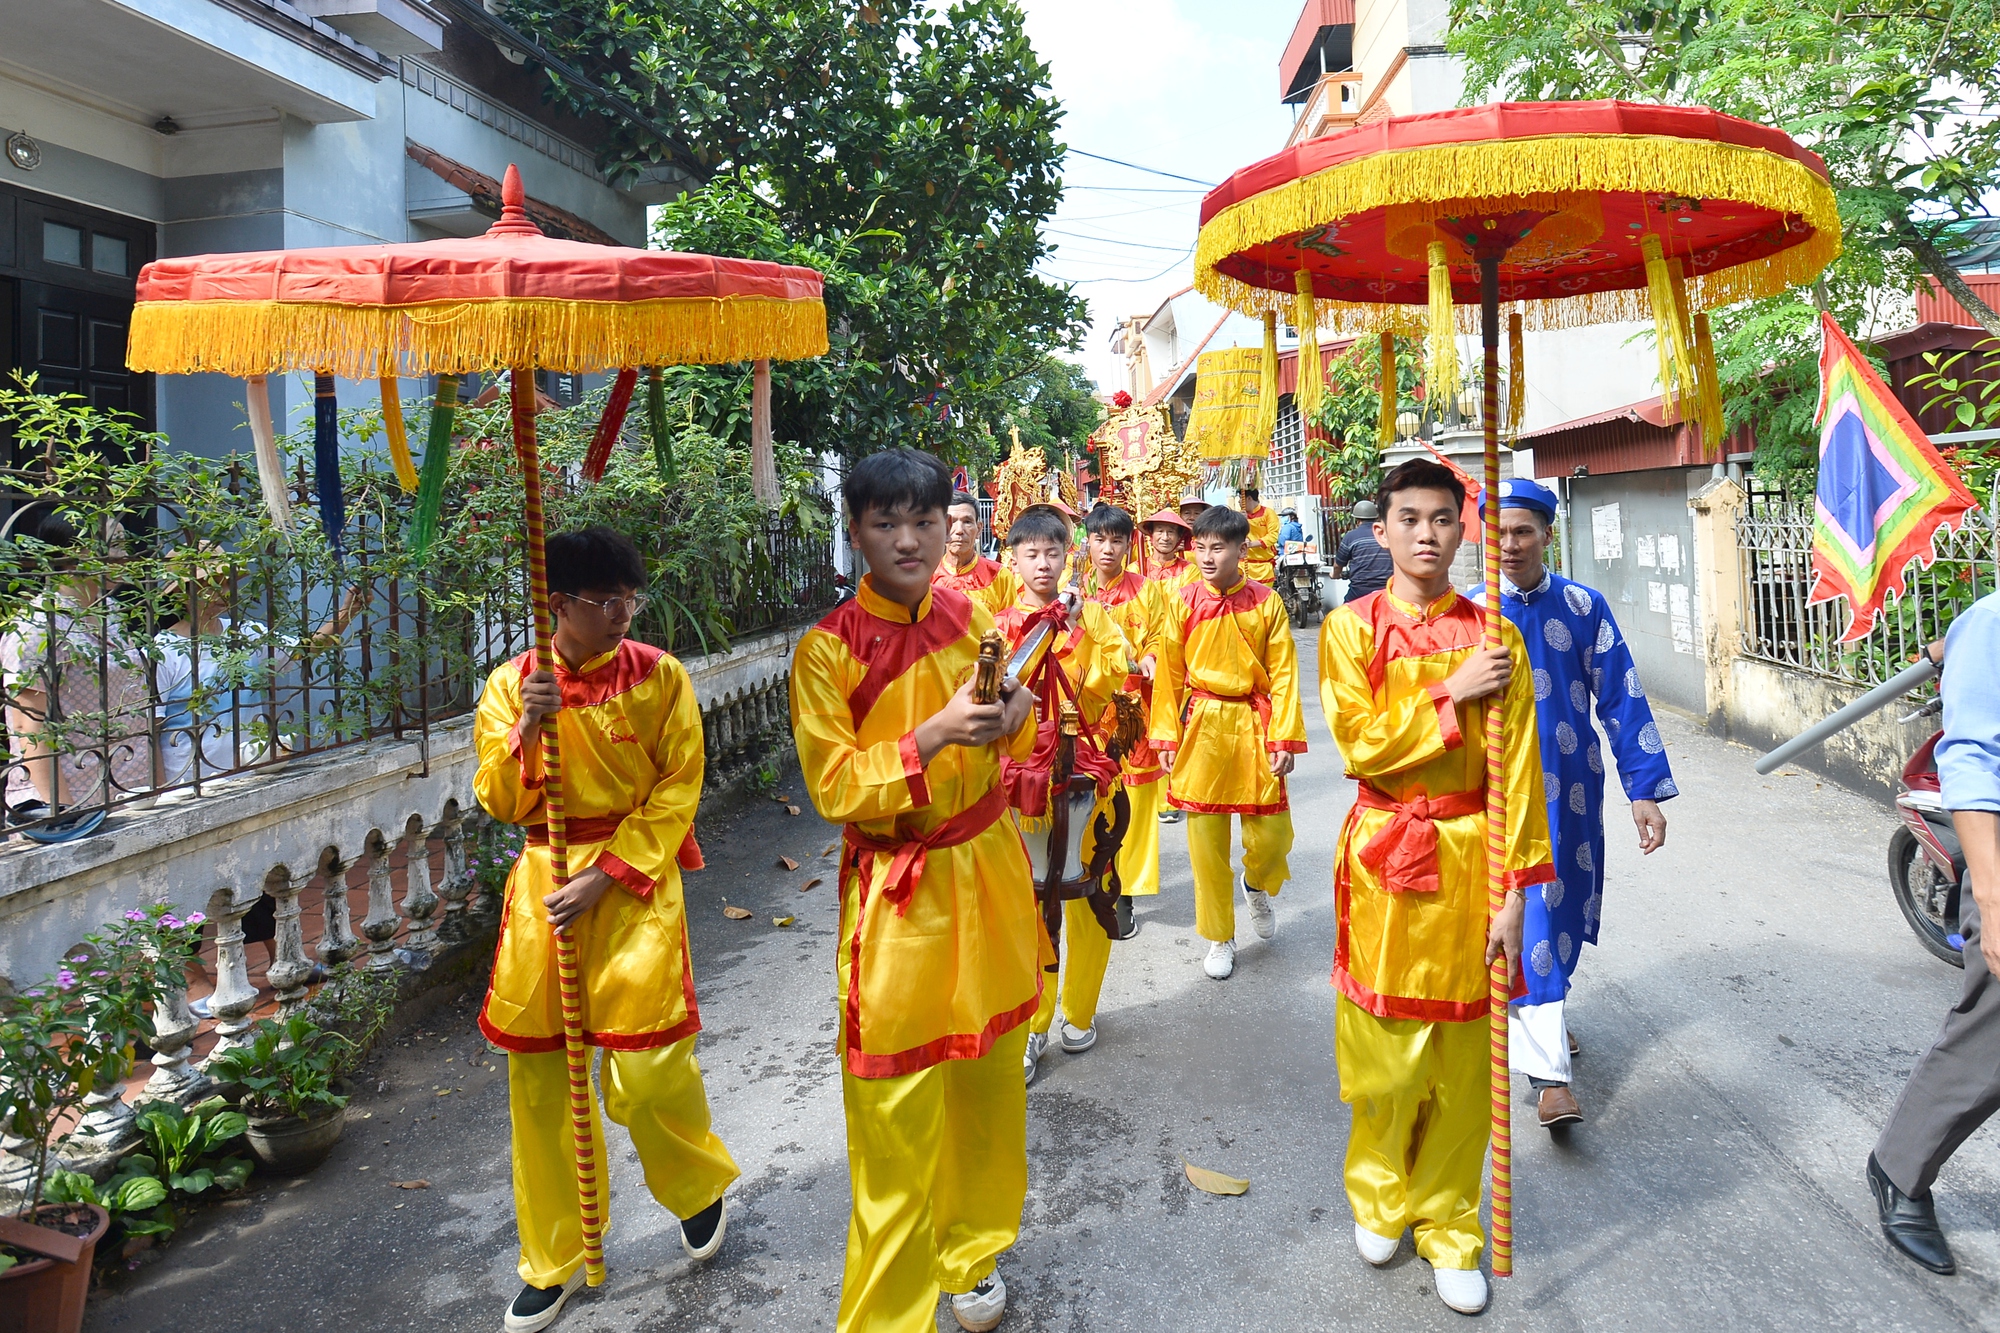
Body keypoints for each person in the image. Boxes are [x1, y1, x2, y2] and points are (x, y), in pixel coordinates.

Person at [790, 449, 1039, 1333]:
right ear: (854, 531)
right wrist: (928, 736)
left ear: (948, 526)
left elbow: (1018, 723)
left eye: (924, 520)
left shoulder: (978, 614)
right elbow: (833, 786)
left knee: (988, 1078)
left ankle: (970, 1250)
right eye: (886, 522)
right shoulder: (826, 650)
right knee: (893, 1100)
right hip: (898, 892)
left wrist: (1013, 717)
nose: (908, 538)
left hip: (988, 869)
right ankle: (887, 1313)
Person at [475, 526, 736, 1333]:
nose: (624, 612)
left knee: (651, 1065)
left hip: (631, 883)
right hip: (544, 885)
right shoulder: (512, 684)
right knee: (542, 1085)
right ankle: (549, 1259)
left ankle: (694, 1186)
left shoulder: (661, 676)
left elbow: (679, 785)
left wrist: (606, 873)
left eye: (632, 597)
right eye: (605, 600)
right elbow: (493, 796)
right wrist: (526, 731)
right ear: (559, 605)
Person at [1317, 459, 1552, 1316]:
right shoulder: (1350, 629)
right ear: (1382, 531)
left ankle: (1452, 1224)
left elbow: (1521, 769)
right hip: (1384, 851)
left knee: (1461, 1059)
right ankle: (1380, 1195)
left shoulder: (1499, 636)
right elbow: (1363, 742)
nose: (1426, 532)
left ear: (1465, 528)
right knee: (1383, 1053)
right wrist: (1450, 692)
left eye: (1442, 518)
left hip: (1470, 853)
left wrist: (1517, 888)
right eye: (1408, 518)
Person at [1479, 478, 1673, 1129]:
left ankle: (1546, 1012)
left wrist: (1641, 788)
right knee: (1528, 915)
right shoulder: (1467, 614)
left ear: (1547, 534)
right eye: (1499, 531)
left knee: (1563, 908)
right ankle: (1549, 1077)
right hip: (1496, 799)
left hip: (1571, 791)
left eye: (1523, 530)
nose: (1511, 543)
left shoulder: (1583, 606)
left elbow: (1621, 696)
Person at [1869, 590, 2000, 1276]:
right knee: (1995, 1033)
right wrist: (1993, 893)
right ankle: (1901, 1165)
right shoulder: (1991, 622)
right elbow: (1971, 761)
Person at [997, 506, 1134, 1085]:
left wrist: (1073, 634)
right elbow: (992, 692)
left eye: (1054, 553)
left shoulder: (1094, 618)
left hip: (1089, 767)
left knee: (1090, 893)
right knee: (1030, 901)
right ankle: (1032, 1025)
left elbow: (1114, 676)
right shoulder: (999, 622)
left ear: (1068, 555)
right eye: (1032, 554)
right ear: (1014, 560)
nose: (1044, 564)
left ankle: (1080, 1011)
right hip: (1026, 777)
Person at [1150, 505, 1306, 981]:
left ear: (1242, 549)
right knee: (1205, 843)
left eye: (1218, 547)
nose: (1207, 556)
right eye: (1199, 547)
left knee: (1273, 838)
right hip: (1203, 723)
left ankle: (1256, 884)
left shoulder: (1266, 602)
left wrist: (1284, 735)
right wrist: (1166, 734)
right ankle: (1220, 935)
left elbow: (1284, 674)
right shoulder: (1183, 600)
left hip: (1255, 723)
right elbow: (1170, 674)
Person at [1083, 504, 1166, 934]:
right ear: (1088, 542)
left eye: (1117, 540)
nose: (1108, 548)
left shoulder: (1147, 590)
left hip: (1135, 712)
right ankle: (1092, 876)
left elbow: (1157, 636)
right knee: (1092, 798)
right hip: (1087, 713)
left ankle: (1127, 892)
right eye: (1100, 539)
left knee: (1134, 803)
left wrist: (1150, 656)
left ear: (1128, 543)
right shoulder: (1074, 590)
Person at [933, 491, 1018, 616]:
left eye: (967, 522)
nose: (959, 531)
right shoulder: (927, 576)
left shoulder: (999, 576)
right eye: (951, 522)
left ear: (979, 529)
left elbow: (1010, 627)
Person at [1333, 500, 1394, 604]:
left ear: (1357, 520)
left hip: (1360, 591)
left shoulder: (1351, 537)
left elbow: (1337, 566)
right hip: (1388, 590)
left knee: (1345, 614)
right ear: (1377, 518)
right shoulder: (1387, 534)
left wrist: (1335, 575)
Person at [1139, 509, 1199, 592]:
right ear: (1151, 534)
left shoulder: (1190, 570)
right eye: (1160, 531)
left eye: (1171, 532)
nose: (1165, 538)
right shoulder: (1136, 569)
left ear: (1179, 537)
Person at [1237, 485, 1277, 586]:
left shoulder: (1268, 513)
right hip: (1243, 564)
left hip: (1263, 567)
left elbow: (1272, 536)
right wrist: (1240, 520)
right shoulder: (1238, 515)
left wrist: (1251, 544)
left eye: (1240, 499)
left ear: (1249, 498)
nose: (1238, 502)